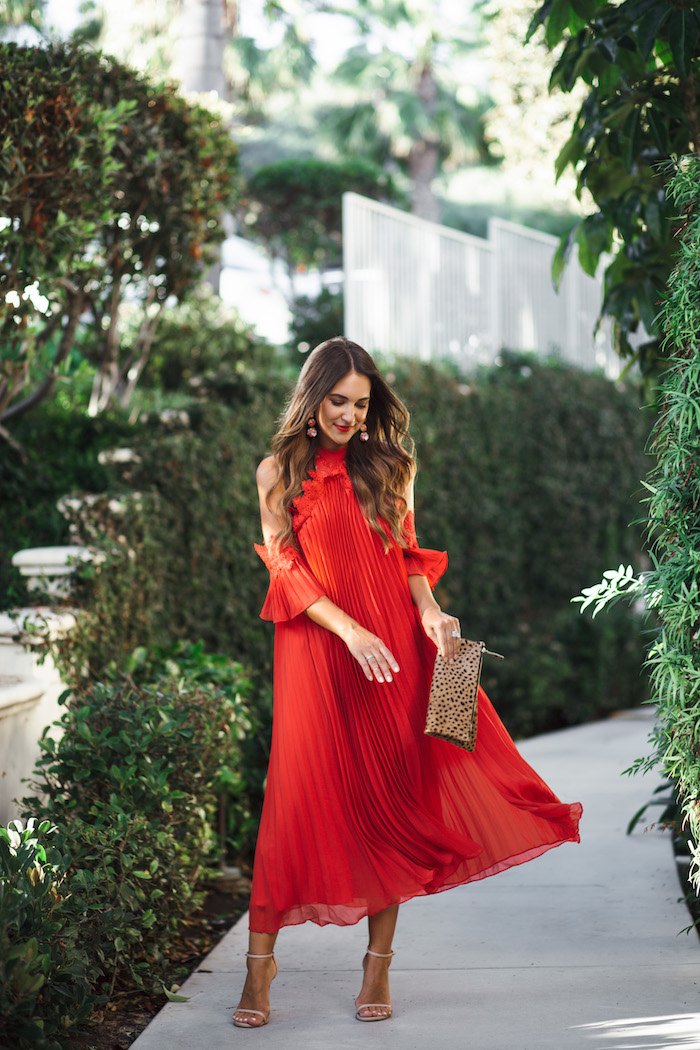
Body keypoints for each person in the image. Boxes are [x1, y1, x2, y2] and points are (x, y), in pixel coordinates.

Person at [233, 337, 581, 1028]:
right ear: (312, 397)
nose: (350, 416)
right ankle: (259, 968)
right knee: (294, 798)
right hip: (317, 648)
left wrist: (429, 609)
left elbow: (408, 555)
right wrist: (350, 630)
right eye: (338, 401)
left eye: (361, 404)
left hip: (393, 650)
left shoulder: (393, 463)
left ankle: (378, 967)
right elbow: (283, 568)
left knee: (396, 794)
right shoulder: (276, 472)